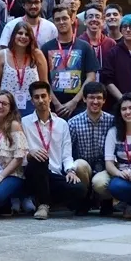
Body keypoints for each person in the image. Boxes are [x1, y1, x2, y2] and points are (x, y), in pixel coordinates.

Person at [21, 81, 87, 219]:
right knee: (39, 159)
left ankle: (46, 200)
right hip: (32, 173)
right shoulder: (24, 122)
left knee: (79, 189)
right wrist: (29, 154)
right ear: (32, 101)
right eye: (36, 97)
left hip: (54, 174)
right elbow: (19, 153)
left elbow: (67, 155)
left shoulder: (62, 124)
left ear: (50, 97)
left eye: (44, 96)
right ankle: (43, 205)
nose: (41, 100)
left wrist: (70, 170)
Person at [42, 6, 99, 118]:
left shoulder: (85, 47)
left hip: (79, 107)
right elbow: (43, 79)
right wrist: (56, 104)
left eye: (65, 18)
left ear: (72, 20)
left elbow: (91, 77)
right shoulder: (46, 48)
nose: (61, 22)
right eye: (57, 19)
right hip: (54, 108)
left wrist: (74, 102)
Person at [68, 82, 115, 216]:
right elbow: (68, 150)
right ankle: (84, 199)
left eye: (99, 98)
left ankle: (107, 201)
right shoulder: (73, 122)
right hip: (85, 167)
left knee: (100, 182)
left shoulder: (112, 121)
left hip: (105, 167)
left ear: (104, 100)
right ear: (84, 99)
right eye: (91, 98)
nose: (95, 101)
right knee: (79, 165)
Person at [0, 21, 47, 117]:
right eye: (20, 33)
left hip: (32, 105)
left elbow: (44, 83)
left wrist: (47, 109)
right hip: (6, 105)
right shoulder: (1, 56)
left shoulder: (37, 55)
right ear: (13, 35)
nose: (23, 37)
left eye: (27, 34)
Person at [80, 3, 116, 86]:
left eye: (97, 17)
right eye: (90, 16)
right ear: (85, 21)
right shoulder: (78, 43)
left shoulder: (111, 43)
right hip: (84, 92)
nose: (94, 19)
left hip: (106, 91)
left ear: (103, 21)